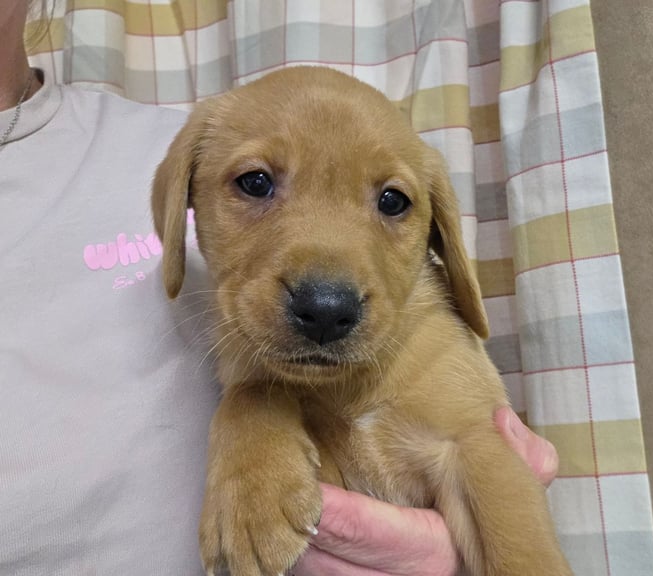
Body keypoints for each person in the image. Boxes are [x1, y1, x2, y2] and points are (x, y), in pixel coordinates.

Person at [0, 1, 559, 574]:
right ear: (179, 208)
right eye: (256, 184)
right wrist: (251, 414)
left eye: (393, 201)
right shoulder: (204, 145)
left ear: (440, 237)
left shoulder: (160, 133)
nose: (326, 298)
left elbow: (475, 452)